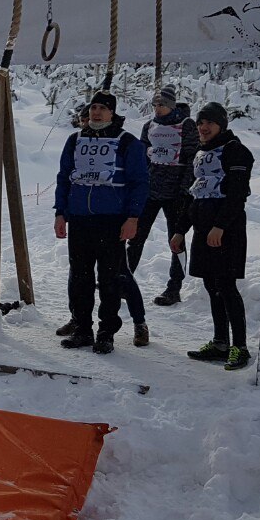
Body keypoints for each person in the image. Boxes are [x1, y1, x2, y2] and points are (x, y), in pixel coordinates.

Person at [54, 89, 149, 354]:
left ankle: (106, 332)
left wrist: (133, 217)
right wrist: (60, 212)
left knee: (109, 279)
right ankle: (82, 329)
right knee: (80, 278)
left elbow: (140, 182)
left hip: (112, 220)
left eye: (102, 108)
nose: (96, 112)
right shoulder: (75, 140)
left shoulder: (128, 142)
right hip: (80, 219)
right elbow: (64, 176)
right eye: (93, 107)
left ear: (112, 112)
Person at [171, 102, 255, 370]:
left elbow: (237, 194)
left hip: (226, 229)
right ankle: (220, 342)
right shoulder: (200, 152)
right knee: (212, 287)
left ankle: (239, 347)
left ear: (221, 125)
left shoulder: (235, 151)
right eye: (200, 123)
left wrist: (221, 225)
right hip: (202, 227)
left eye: (209, 123)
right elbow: (193, 194)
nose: (203, 128)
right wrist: (180, 229)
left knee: (227, 287)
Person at [129, 85, 198, 309]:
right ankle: (124, 279)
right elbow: (141, 157)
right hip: (151, 189)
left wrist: (185, 188)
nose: (158, 109)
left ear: (171, 106)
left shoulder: (187, 125)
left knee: (175, 239)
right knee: (136, 235)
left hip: (176, 192)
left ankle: (174, 287)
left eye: (162, 105)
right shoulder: (149, 126)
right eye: (156, 104)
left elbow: (192, 157)